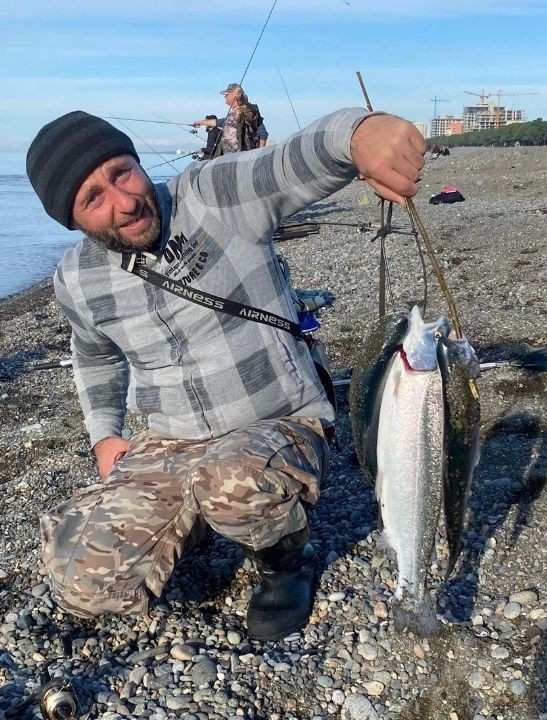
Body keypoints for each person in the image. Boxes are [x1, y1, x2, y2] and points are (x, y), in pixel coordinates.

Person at [27, 106, 426, 640]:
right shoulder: (74, 281)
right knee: (84, 583)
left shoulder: (210, 196)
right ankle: (192, 516)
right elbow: (96, 356)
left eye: (122, 172)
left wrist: (359, 134)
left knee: (232, 479)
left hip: (277, 419)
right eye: (93, 198)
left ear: (139, 162)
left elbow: (292, 161)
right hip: (167, 443)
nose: (123, 203)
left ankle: (287, 558)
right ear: (72, 220)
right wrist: (104, 436)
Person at [192, 83, 264, 157]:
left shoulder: (249, 113)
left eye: (227, 94)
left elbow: (263, 134)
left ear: (234, 95)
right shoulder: (235, 113)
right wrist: (202, 123)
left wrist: (259, 156)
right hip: (230, 157)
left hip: (239, 156)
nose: (225, 96)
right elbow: (220, 122)